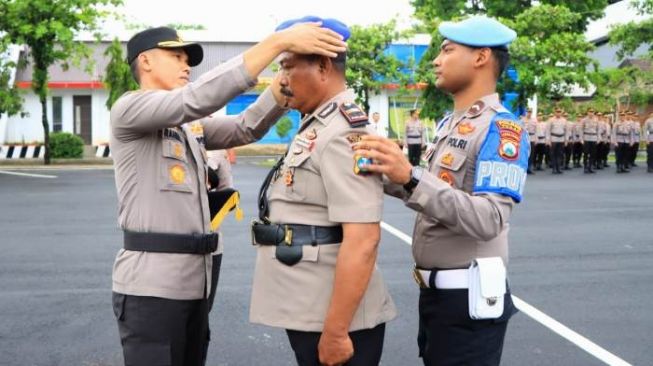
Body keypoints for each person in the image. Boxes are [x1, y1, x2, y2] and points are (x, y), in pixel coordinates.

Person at [109, 25, 346, 366]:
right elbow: (196, 99)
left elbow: (244, 127)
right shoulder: (129, 109)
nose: (186, 65)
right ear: (145, 62)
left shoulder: (185, 126)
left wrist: (281, 90)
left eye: (188, 59)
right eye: (176, 56)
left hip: (196, 279)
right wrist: (275, 43)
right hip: (151, 286)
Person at [354, 16, 525, 366]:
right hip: (437, 298)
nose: (436, 59)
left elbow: (489, 219)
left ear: (481, 58)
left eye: (447, 50)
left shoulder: (502, 128)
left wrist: (412, 176)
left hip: (468, 303)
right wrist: (383, 170)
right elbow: (429, 193)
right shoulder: (453, 123)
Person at [249, 16, 396, 366]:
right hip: (312, 306)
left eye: (288, 66)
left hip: (332, 319)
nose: (281, 80)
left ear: (324, 67)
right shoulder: (319, 123)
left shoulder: (343, 132)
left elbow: (363, 239)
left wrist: (335, 332)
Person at [546, 108, 568, 174]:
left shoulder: (564, 120)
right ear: (555, 112)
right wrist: (548, 140)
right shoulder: (551, 120)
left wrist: (566, 140)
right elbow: (548, 130)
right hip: (553, 139)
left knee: (560, 154)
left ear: (561, 112)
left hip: (561, 139)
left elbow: (566, 131)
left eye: (559, 112)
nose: (558, 113)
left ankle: (559, 168)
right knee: (553, 154)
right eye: (557, 112)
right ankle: (554, 168)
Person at [580, 108, 600, 174]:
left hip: (593, 138)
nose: (591, 113)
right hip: (586, 138)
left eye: (592, 112)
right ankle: (585, 167)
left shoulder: (596, 120)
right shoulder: (584, 120)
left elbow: (598, 130)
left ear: (593, 112)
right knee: (586, 153)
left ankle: (590, 166)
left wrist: (598, 138)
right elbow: (581, 130)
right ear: (587, 112)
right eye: (590, 112)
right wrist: (581, 139)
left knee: (593, 154)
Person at [523, 109, 536, 174]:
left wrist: (536, 139)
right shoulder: (522, 120)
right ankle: (524, 168)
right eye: (528, 112)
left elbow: (536, 130)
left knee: (531, 154)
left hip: (532, 138)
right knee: (525, 154)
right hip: (525, 138)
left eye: (530, 112)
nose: (529, 113)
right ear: (526, 112)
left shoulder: (534, 120)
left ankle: (529, 168)